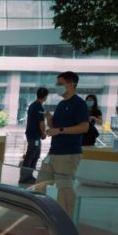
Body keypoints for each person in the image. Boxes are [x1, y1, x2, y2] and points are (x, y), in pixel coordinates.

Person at [38, 71, 89, 214]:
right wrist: (50, 121)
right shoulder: (61, 104)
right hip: (53, 153)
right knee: (40, 184)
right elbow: (56, 127)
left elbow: (84, 127)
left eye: (60, 84)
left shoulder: (79, 104)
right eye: (57, 83)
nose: (57, 87)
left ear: (71, 84)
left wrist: (60, 130)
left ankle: (67, 221)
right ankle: (44, 215)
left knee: (64, 189)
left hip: (68, 154)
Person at [19, 87, 48, 184]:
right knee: (31, 155)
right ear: (45, 97)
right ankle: (24, 177)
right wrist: (43, 133)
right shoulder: (39, 107)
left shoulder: (32, 105)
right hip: (34, 135)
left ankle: (29, 176)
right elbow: (41, 122)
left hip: (32, 134)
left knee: (35, 155)